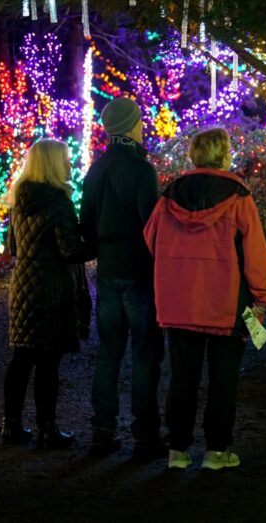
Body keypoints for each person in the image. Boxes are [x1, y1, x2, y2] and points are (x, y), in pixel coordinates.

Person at [143, 127, 266, 471]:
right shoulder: (238, 195)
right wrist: (262, 297)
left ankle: (178, 450)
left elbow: (150, 239)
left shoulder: (170, 194)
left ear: (194, 154)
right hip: (226, 302)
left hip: (178, 302)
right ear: (224, 154)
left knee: (182, 376)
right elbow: (256, 254)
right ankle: (217, 451)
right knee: (223, 378)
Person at [80, 97, 165, 459]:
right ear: (132, 125)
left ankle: (103, 429)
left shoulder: (96, 170)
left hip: (109, 270)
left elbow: (85, 226)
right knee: (146, 353)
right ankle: (145, 435)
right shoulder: (141, 170)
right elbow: (153, 226)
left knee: (109, 353)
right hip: (140, 272)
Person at [2, 139, 91, 449]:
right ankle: (46, 428)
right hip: (52, 286)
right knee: (49, 361)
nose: (70, 164)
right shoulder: (58, 202)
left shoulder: (18, 199)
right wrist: (97, 242)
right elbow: (70, 250)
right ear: (54, 163)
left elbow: (12, 247)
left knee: (22, 357)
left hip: (23, 284)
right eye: (66, 159)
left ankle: (11, 425)